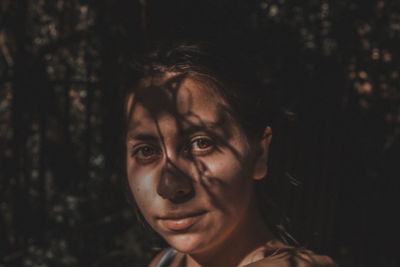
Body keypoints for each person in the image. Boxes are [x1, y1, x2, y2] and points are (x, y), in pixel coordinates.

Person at [122, 41, 336, 267]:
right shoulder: (164, 262)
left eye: (201, 143)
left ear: (260, 153)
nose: (169, 185)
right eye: (146, 151)